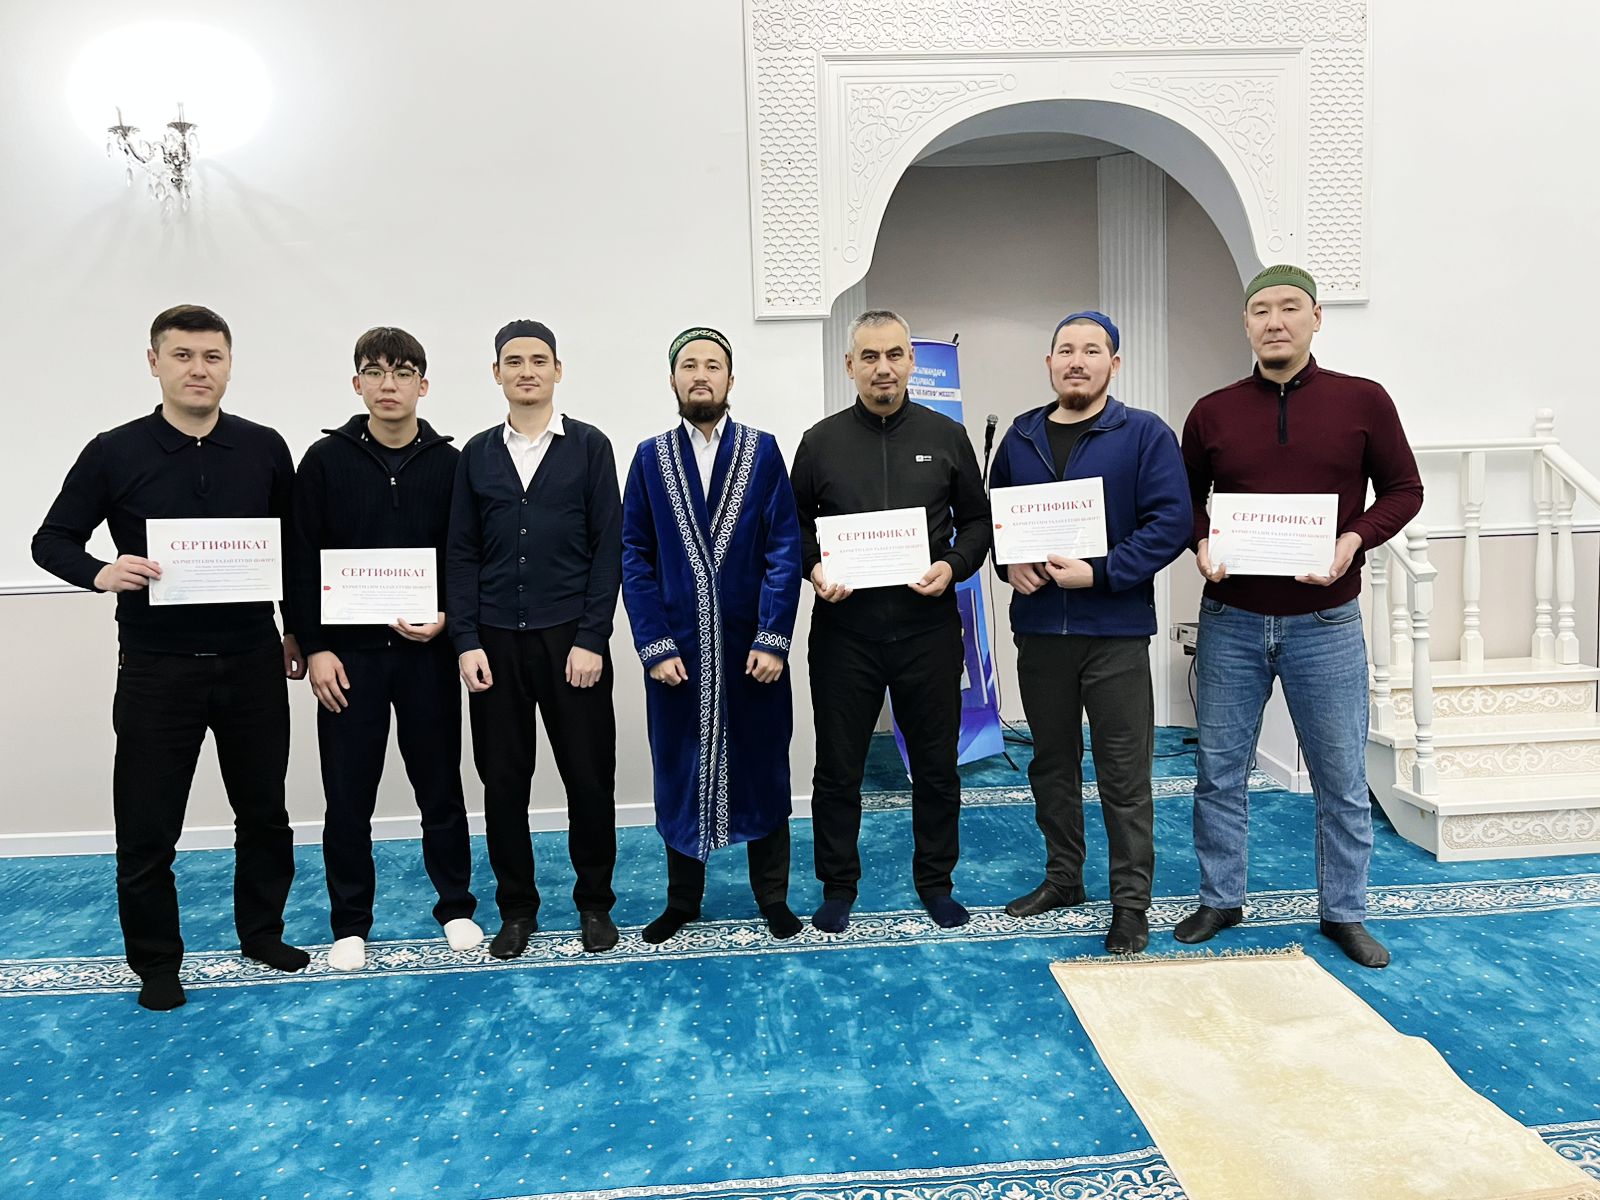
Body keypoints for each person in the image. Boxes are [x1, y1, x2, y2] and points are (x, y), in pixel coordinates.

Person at [31, 304, 309, 1011]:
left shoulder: (264, 447)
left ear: (230, 365)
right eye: (183, 355)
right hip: (158, 668)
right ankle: (156, 962)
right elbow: (50, 540)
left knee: (265, 814)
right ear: (154, 362)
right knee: (148, 826)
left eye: (212, 356)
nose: (198, 369)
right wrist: (100, 571)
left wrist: (297, 631)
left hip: (252, 660)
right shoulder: (114, 450)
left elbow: (295, 549)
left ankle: (262, 934)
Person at [1177, 265, 1423, 968]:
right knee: (1219, 773)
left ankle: (1344, 911)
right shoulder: (1212, 411)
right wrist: (1201, 543)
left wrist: (1355, 540)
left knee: (1340, 778)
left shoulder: (1363, 400)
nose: (1275, 321)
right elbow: (1185, 499)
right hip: (1231, 619)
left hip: (1326, 624)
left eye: (1290, 307)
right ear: (1246, 324)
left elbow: (1404, 489)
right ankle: (1221, 897)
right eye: (1261, 310)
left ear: (1316, 318)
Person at [990, 311, 1191, 954]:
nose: (1077, 361)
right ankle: (1063, 879)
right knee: (1050, 765)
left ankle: (1130, 905)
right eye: (1066, 350)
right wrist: (1009, 564)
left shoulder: (1145, 434)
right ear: (1050, 362)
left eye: (1092, 350)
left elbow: (1171, 522)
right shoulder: (1020, 436)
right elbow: (997, 522)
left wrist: (1101, 573)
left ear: (1114, 364)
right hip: (1040, 632)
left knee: (1123, 774)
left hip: (1115, 634)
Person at [790, 309, 991, 933]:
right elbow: (792, 529)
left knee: (936, 768)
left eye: (895, 355)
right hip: (844, 634)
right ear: (850, 365)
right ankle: (837, 886)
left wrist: (952, 565)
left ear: (911, 362)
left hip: (928, 630)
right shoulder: (820, 441)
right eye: (870, 356)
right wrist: (814, 570)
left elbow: (977, 522)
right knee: (837, 769)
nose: (884, 368)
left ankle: (936, 882)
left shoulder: (946, 435)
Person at [288, 326, 481, 971]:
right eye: (374, 372)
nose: (388, 384)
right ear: (357, 384)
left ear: (423, 384)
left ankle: (455, 907)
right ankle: (350, 924)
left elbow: (466, 555)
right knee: (348, 796)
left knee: (440, 788)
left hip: (427, 655)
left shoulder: (453, 464)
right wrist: (315, 646)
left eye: (401, 372)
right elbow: (300, 558)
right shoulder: (323, 462)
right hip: (347, 661)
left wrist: (450, 619)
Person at [621, 327, 804, 943]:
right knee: (679, 768)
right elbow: (635, 555)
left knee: (762, 765)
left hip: (751, 652)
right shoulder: (649, 458)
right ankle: (682, 901)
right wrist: (654, 645)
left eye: (713, 365)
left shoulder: (763, 450)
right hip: (678, 653)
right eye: (689, 365)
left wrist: (773, 637)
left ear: (730, 378)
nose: (701, 375)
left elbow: (783, 548)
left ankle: (772, 898)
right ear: (673, 378)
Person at [447, 319, 622, 958]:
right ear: (496, 373)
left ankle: (594, 905)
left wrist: (592, 637)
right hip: (494, 645)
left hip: (572, 642)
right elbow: (461, 553)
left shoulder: (590, 447)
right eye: (514, 361)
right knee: (503, 785)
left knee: (588, 780)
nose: (527, 371)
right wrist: (465, 640)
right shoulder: (475, 454)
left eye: (539, 360)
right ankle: (517, 910)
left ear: (557, 370)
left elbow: (608, 550)